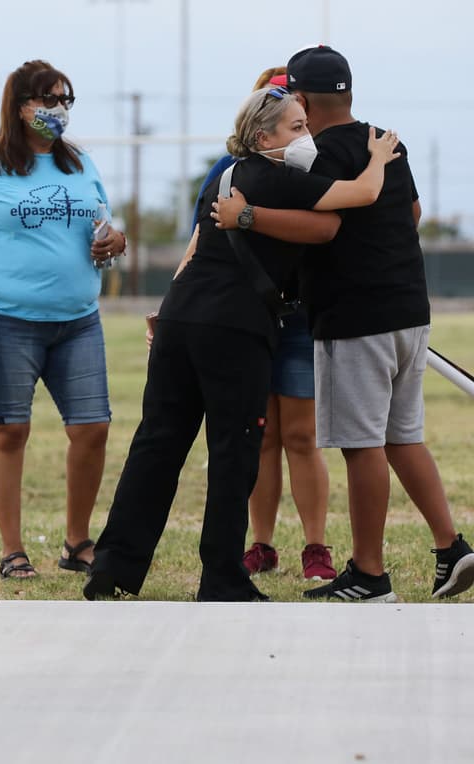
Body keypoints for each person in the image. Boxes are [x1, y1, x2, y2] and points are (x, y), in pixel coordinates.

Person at [84, 84, 399, 602]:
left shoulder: (226, 176)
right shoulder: (279, 178)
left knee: (157, 443)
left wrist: (165, 310)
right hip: (234, 327)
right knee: (234, 451)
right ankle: (223, 577)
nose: (307, 137)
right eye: (297, 127)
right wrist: (380, 156)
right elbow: (361, 194)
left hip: (182, 316)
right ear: (263, 137)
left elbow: (197, 246)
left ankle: (112, 564)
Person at [214, 45, 474, 601]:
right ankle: (452, 547)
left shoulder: (313, 156)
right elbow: (412, 214)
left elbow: (320, 227)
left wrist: (248, 216)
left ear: (302, 102)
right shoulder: (385, 140)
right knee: (403, 437)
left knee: (362, 446)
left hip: (354, 316)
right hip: (411, 309)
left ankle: (369, 574)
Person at [0, 60, 125, 579]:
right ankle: (12, 550)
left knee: (92, 429)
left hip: (79, 321)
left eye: (66, 100)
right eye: (48, 100)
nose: (59, 109)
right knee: (9, 432)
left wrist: (116, 241)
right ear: (20, 107)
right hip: (6, 321)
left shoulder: (80, 163)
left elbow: (106, 227)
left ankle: (76, 542)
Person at [186, 67, 336, 582]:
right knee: (260, 435)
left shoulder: (316, 164)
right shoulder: (229, 169)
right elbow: (201, 235)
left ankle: (316, 546)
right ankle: (261, 544)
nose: (300, 125)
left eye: (299, 109)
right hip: (245, 317)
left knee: (301, 435)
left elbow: (336, 222)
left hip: (298, 316)